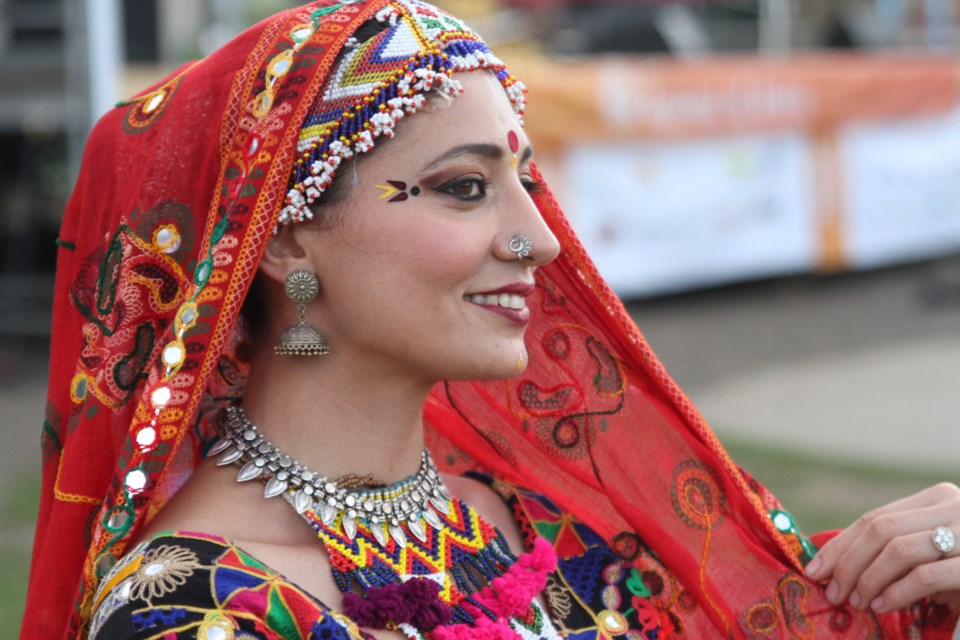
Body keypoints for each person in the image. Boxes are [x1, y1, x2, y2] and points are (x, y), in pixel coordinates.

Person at [22, 1, 960, 638]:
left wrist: (915, 570)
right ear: (284, 243)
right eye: (465, 188)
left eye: (525, 184)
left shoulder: (523, 519)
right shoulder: (195, 609)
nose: (541, 241)